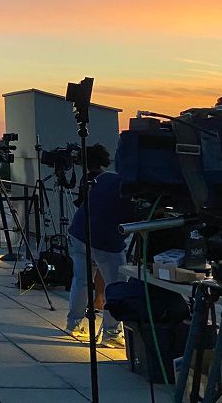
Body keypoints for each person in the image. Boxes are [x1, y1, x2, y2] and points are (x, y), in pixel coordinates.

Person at [66, 144, 131, 348]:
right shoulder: (126, 187)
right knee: (116, 285)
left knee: (81, 280)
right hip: (103, 240)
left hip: (79, 233)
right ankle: (111, 332)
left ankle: (74, 323)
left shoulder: (103, 179)